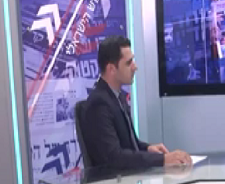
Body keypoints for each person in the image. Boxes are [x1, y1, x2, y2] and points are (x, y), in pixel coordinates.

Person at [81, 36, 192, 170]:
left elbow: (129, 145)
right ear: (111, 69)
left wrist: (148, 148)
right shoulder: (99, 104)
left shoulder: (118, 97)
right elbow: (115, 157)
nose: (135, 67)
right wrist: (163, 160)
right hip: (112, 180)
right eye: (129, 63)